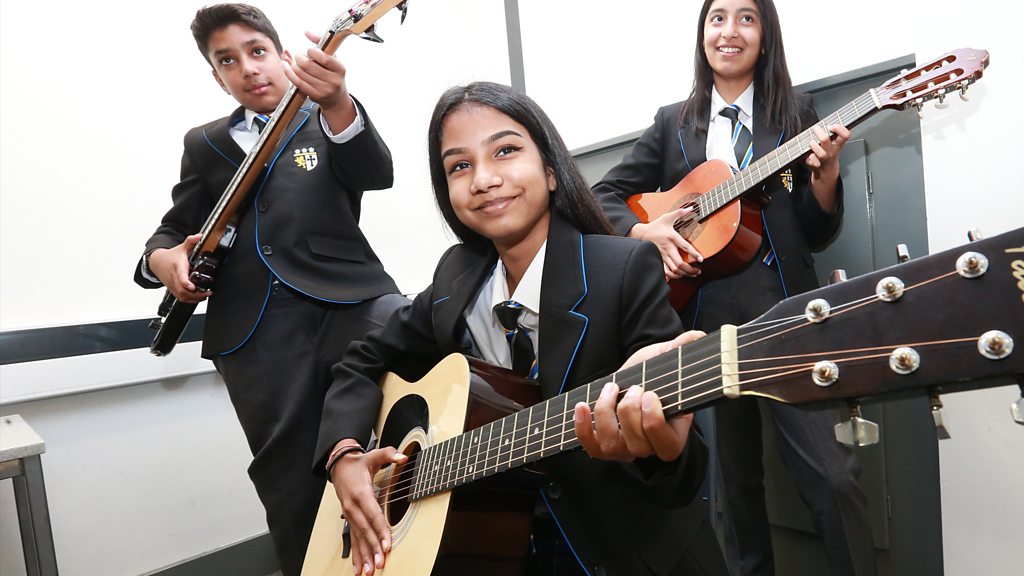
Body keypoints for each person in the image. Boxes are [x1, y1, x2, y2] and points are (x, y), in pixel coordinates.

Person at [315, 81, 729, 576]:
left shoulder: (625, 268)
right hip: (497, 547)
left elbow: (684, 474)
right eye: (459, 166)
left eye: (505, 151)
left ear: (551, 171)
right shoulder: (454, 279)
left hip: (627, 551)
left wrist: (663, 447)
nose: (484, 179)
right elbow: (362, 360)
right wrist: (344, 454)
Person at [590, 1, 874, 575]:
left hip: (784, 311)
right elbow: (604, 197)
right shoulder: (672, 122)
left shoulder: (795, 113)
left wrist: (826, 176)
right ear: (702, 34)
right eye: (717, 17)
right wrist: (647, 232)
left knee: (833, 477)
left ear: (765, 36)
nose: (729, 31)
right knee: (735, 489)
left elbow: (816, 232)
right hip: (703, 319)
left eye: (747, 18)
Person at [132, 5, 407, 575]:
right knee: (289, 482)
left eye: (257, 51)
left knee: (411, 413)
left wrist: (338, 101)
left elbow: (375, 172)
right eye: (228, 61)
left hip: (352, 302)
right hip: (251, 330)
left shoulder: (327, 112)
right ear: (217, 77)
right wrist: (165, 260)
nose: (248, 68)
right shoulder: (204, 143)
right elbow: (171, 228)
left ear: (283, 56)